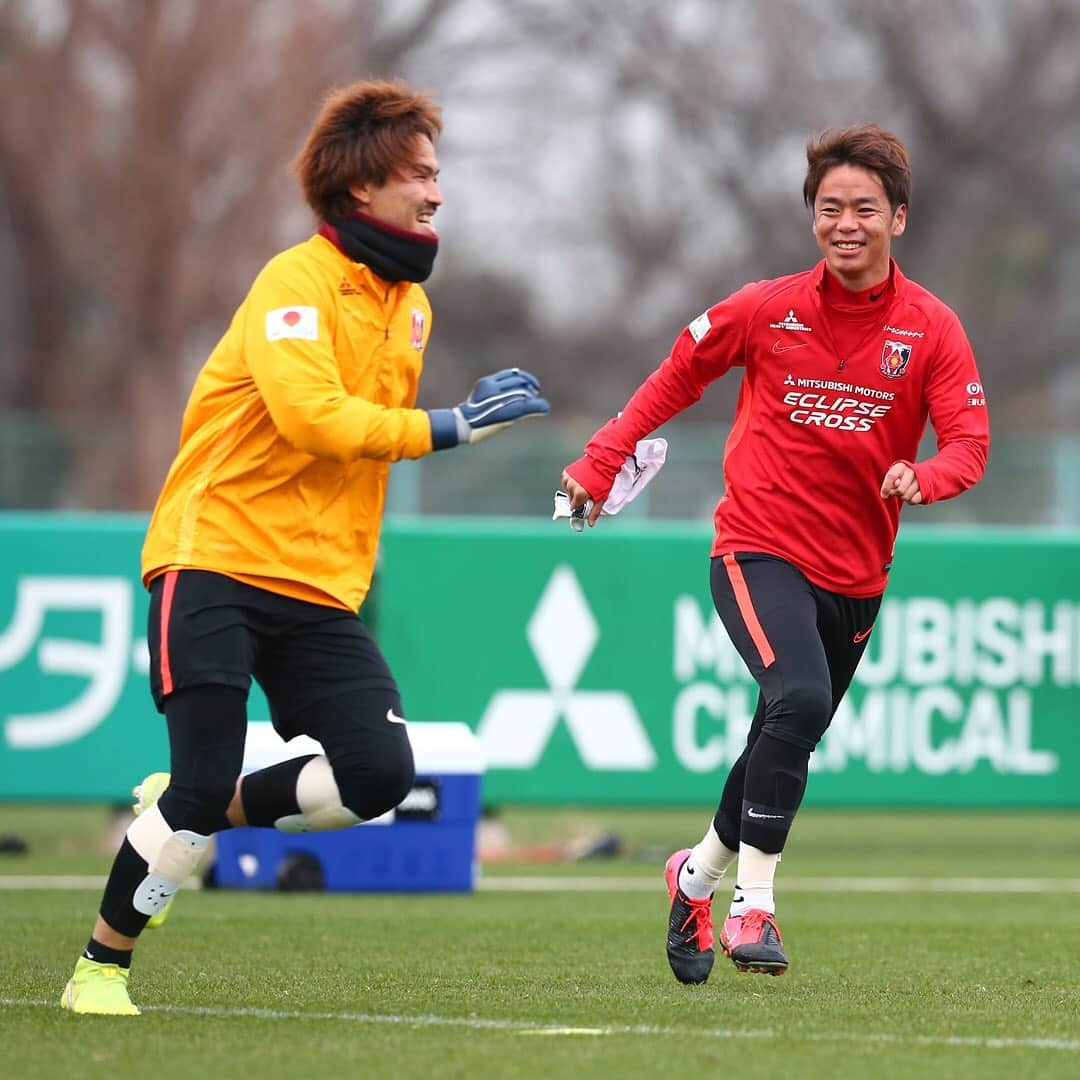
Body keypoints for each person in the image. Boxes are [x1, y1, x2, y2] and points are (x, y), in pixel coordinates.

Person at [61, 79, 549, 1016]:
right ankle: (100, 967)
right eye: (421, 175)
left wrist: (430, 434)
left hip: (319, 586)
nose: (438, 193)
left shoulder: (411, 306)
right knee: (199, 784)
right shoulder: (293, 281)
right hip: (215, 559)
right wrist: (450, 426)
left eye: (437, 175)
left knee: (380, 777)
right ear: (361, 189)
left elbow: (356, 452)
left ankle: (187, 807)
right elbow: (314, 420)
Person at [561, 123, 988, 984]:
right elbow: (677, 373)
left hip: (858, 576)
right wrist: (603, 458)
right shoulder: (765, 307)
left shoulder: (932, 328)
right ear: (813, 219)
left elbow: (970, 443)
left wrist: (924, 475)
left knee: (783, 727)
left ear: (898, 219)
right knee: (797, 696)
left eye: (864, 208)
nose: (845, 223)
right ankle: (755, 905)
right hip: (756, 549)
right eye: (829, 208)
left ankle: (696, 877)